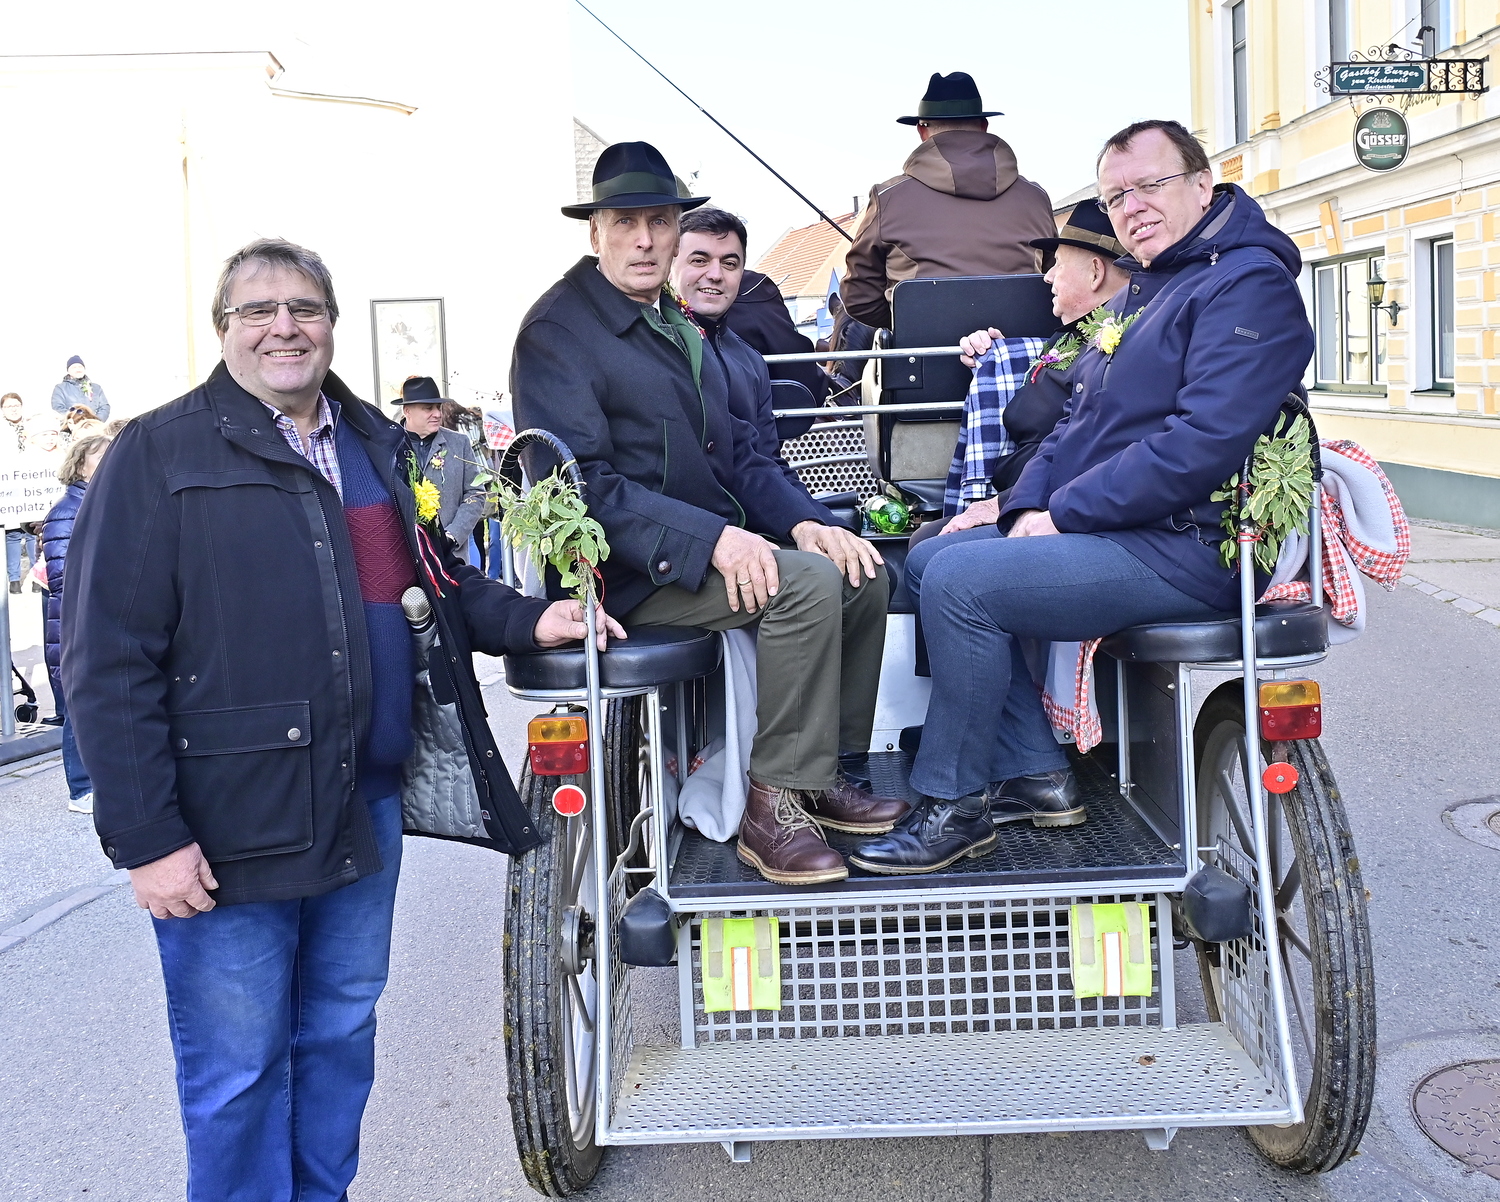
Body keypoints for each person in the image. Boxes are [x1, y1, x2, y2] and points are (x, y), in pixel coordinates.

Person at [62, 236, 624, 1202]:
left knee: (337, 1037)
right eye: (258, 310)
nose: (283, 327)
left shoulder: (369, 447)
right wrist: (148, 838)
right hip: (229, 824)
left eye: (304, 308)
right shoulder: (159, 453)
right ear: (224, 329)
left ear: (330, 322)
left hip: (364, 805)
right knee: (238, 1072)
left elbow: (434, 582)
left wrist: (532, 617)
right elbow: (107, 660)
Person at [851, 119, 1315, 874]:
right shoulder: (1153, 287)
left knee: (965, 584)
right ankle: (1035, 770)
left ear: (1203, 185)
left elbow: (1200, 446)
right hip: (1125, 529)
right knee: (933, 556)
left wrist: (1064, 514)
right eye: (1117, 195)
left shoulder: (1248, 285)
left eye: (1151, 184)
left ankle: (953, 803)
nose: (1133, 206)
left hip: (1191, 545)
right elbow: (1072, 424)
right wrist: (1019, 509)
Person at [512, 141, 904, 888]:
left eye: (659, 221)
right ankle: (771, 805)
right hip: (626, 575)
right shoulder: (557, 333)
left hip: (700, 549)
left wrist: (806, 523)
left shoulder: (673, 322)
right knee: (805, 587)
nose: (644, 240)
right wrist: (716, 539)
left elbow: (743, 455)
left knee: (859, 572)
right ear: (595, 232)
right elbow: (580, 486)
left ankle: (822, 772)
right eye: (625, 222)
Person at [912, 199, 1131, 547]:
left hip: (1051, 504)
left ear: (1095, 273)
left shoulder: (1115, 346)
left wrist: (1005, 503)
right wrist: (992, 355)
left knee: (928, 547)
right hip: (1026, 492)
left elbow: (1083, 450)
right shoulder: (1070, 337)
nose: (1047, 276)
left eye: (1058, 264)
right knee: (925, 541)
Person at [842, 72, 1057, 329]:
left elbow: (859, 298)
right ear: (983, 126)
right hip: (1023, 349)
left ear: (922, 131)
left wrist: (910, 323)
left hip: (924, 351)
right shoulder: (1035, 198)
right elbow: (1055, 280)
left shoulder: (888, 198)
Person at [672, 207, 844, 519]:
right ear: (671, 262)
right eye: (699, 260)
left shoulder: (749, 361)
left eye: (729, 263)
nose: (715, 274)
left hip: (751, 519)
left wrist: (821, 523)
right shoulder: (654, 348)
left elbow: (768, 462)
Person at [42, 432, 111, 814]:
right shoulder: (68, 509)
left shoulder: (102, 501)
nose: (109, 462)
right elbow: (63, 575)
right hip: (73, 622)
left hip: (95, 618)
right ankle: (80, 790)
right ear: (80, 466)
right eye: (100, 456)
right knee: (76, 707)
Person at [396, 376, 488, 553]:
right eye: (428, 408)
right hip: (404, 555)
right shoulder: (389, 446)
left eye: (438, 407)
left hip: (451, 556)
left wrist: (453, 535)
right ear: (407, 411)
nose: (438, 414)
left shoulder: (459, 443)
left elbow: (475, 493)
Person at [50, 355, 111, 422]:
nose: (78, 369)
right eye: (74, 367)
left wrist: (95, 422)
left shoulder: (96, 388)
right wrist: (77, 421)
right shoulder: (60, 388)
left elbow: (104, 407)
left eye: (80, 367)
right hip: (72, 426)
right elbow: (58, 408)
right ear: (68, 371)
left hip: (94, 426)